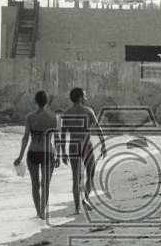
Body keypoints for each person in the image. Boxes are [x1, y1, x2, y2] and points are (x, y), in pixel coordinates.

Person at [13, 90, 60, 219]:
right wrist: (58, 156)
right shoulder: (52, 117)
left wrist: (20, 156)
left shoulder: (30, 117)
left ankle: (38, 212)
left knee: (35, 185)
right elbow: (56, 138)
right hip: (47, 153)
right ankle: (43, 211)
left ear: (36, 101)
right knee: (45, 185)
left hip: (32, 152)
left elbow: (25, 138)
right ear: (47, 101)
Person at [59, 87, 104, 214]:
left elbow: (63, 134)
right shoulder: (88, 111)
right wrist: (103, 144)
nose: (86, 97)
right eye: (84, 95)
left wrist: (63, 152)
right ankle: (86, 198)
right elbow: (98, 129)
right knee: (90, 173)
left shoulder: (66, 113)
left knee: (76, 178)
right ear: (79, 97)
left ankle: (77, 208)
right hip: (86, 146)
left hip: (73, 146)